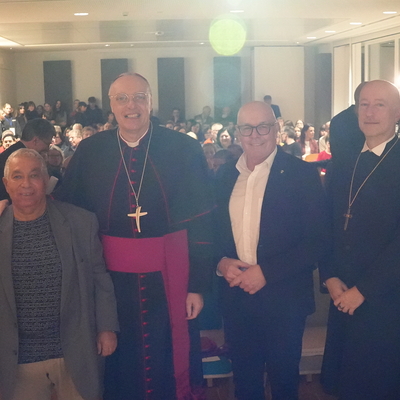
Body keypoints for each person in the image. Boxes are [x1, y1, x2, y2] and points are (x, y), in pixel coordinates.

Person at [54, 72, 215, 400]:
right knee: (118, 361)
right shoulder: (90, 151)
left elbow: (202, 224)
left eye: (140, 97)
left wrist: (197, 285)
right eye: (122, 98)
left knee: (167, 358)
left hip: (171, 279)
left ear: (151, 102)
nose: (132, 106)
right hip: (110, 284)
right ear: (111, 105)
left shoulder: (184, 149)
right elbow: (66, 214)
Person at [215, 101, 328, 400]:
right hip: (237, 298)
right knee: (245, 383)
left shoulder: (301, 174)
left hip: (285, 300)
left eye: (262, 127)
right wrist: (221, 262)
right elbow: (213, 234)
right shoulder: (224, 176)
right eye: (247, 128)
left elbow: (317, 240)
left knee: (284, 384)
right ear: (237, 132)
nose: (255, 135)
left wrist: (267, 272)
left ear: (276, 129)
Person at [0, 148, 119, 400]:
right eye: (17, 176)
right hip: (17, 360)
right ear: (6, 184)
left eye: (34, 175)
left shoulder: (81, 222)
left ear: (46, 180)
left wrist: (107, 327)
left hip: (74, 351)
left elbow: (100, 279)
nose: (26, 184)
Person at [320, 80, 400, 400]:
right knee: (344, 384)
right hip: (341, 291)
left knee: (377, 384)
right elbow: (326, 225)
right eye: (363, 105)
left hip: (386, 299)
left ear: (397, 113)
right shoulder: (343, 163)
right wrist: (329, 275)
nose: (370, 112)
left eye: (380, 105)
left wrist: (363, 290)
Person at [0, 118, 55, 201]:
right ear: (35, 141)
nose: (47, 149)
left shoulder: (11, 152)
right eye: (47, 144)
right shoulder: (19, 158)